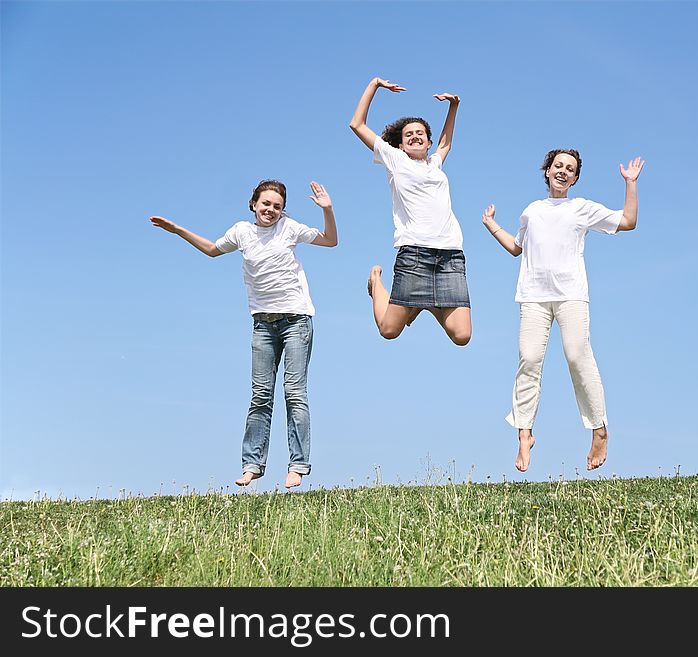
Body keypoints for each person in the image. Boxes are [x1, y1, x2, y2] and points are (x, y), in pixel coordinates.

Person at [149, 180, 338, 488]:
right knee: (261, 396)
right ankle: (252, 465)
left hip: (296, 321)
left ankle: (298, 466)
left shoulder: (289, 228)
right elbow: (212, 250)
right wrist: (179, 231)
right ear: (253, 204)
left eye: (277, 206)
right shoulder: (241, 232)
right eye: (266, 204)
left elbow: (331, 240)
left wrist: (327, 210)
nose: (271, 210)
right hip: (262, 324)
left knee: (294, 393)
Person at [481, 150, 645, 473]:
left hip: (571, 295)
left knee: (576, 355)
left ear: (575, 178)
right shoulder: (531, 211)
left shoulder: (581, 208)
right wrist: (490, 225)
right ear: (547, 171)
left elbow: (628, 222)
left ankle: (599, 429)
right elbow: (517, 247)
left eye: (570, 169)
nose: (563, 171)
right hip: (533, 296)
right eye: (558, 166)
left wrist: (630, 184)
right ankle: (524, 435)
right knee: (528, 359)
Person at [349, 76, 471, 346]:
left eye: (421, 134)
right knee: (389, 330)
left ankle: (423, 303)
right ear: (401, 145)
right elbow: (356, 124)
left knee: (462, 336)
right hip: (414, 254)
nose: (415, 136)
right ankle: (376, 283)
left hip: (450, 255)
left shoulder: (435, 165)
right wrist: (374, 85)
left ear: (428, 142)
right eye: (408, 135)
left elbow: (446, 144)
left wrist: (454, 107)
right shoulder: (395, 160)